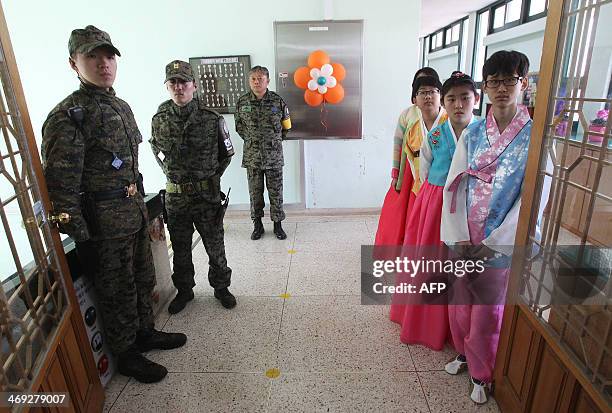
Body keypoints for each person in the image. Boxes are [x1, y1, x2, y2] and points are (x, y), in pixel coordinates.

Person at [41, 25, 186, 384]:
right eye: (92, 56)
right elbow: (61, 187)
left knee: (141, 279)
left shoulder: (119, 106)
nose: (103, 64)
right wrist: (82, 237)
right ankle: (127, 354)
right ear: (73, 63)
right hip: (103, 225)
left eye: (108, 56)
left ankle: (145, 333)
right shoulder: (69, 115)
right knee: (116, 290)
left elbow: (131, 167)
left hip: (132, 215)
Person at [441, 51, 532, 404]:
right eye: (493, 81)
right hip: (465, 229)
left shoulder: (535, 135)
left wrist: (500, 240)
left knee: (488, 308)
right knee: (460, 299)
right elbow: (454, 181)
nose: (501, 88)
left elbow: (533, 196)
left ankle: (482, 372)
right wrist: (457, 233)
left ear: (523, 83)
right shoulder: (475, 130)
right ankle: (464, 352)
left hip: (500, 235)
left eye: (509, 80)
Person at [390, 72, 480, 351]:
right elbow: (425, 168)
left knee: (459, 266)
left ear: (476, 99)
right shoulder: (435, 134)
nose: (458, 104)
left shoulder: (482, 133)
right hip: (434, 199)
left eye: (465, 97)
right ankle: (425, 322)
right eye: (452, 98)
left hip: (468, 202)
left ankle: (458, 326)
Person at [150, 60, 236, 313]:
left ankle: (221, 287)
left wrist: (208, 178)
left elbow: (226, 154)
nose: (178, 87)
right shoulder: (160, 118)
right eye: (173, 82)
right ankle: (185, 291)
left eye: (183, 82)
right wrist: (172, 173)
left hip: (206, 196)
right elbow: (156, 149)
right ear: (167, 86)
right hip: (176, 199)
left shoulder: (212, 119)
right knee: (181, 247)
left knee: (215, 245)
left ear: (194, 86)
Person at [375, 68, 447, 246]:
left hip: (441, 174)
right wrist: (395, 172)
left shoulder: (447, 117)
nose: (427, 96)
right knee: (407, 212)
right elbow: (398, 143)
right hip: (411, 168)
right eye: (422, 91)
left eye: (431, 90)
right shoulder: (407, 115)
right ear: (415, 95)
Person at [234, 65, 292, 240]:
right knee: (255, 193)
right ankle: (257, 225)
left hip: (273, 156)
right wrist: (254, 141)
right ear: (249, 81)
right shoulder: (242, 102)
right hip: (253, 157)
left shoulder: (277, 101)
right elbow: (239, 127)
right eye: (253, 78)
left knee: (276, 192)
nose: (257, 81)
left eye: (260, 78)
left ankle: (278, 225)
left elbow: (286, 126)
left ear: (268, 81)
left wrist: (273, 141)